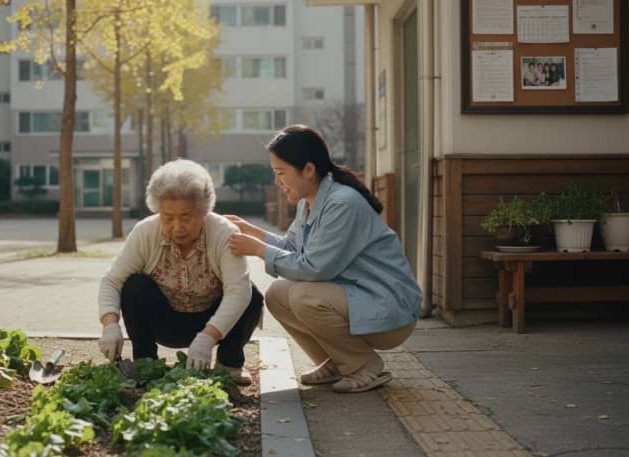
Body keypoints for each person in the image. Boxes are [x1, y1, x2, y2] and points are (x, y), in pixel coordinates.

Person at [226, 125, 421, 393]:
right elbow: (291, 246)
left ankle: (364, 366)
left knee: (304, 295)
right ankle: (336, 363)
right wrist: (254, 232)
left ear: (308, 169)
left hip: (390, 309)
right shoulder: (310, 201)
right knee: (277, 294)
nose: (277, 182)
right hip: (359, 300)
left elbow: (314, 268)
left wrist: (257, 249)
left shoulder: (342, 203)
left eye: (281, 173)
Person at [97, 159, 263, 385]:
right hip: (165, 321)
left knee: (250, 294)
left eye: (186, 217)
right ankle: (146, 364)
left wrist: (207, 337)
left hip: (212, 320)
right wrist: (110, 325)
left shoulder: (224, 234)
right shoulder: (145, 232)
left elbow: (237, 292)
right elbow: (112, 282)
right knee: (134, 286)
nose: (177, 226)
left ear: (205, 211)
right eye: (168, 217)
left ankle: (229, 364)